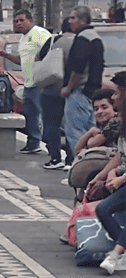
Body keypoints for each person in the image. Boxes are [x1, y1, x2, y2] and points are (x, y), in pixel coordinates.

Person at [84, 72, 126, 275]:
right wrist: (103, 176)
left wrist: (120, 179)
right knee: (103, 209)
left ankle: (117, 254)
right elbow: (121, 155)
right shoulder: (121, 121)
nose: (114, 97)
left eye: (117, 93)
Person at [0, 9, 51, 153]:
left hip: (41, 81)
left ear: (31, 21)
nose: (18, 23)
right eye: (16, 21)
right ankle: (33, 143)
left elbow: (53, 50)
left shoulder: (39, 33)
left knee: (41, 114)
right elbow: (21, 61)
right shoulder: (23, 39)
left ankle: (43, 144)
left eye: (22, 20)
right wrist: (6, 55)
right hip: (28, 82)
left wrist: (41, 60)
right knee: (31, 114)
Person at [61, 5, 105, 158]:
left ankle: (78, 165)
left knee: (75, 133)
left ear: (83, 20)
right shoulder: (95, 37)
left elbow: (78, 67)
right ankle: (91, 165)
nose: (70, 21)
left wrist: (68, 87)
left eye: (74, 18)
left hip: (79, 91)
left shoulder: (83, 38)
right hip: (92, 92)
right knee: (90, 132)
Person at [37, 17, 75, 170]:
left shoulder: (53, 41)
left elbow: (38, 58)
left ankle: (55, 158)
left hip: (51, 89)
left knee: (51, 125)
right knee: (72, 125)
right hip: (73, 91)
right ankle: (71, 159)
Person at [75, 88, 120, 152]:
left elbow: (92, 144)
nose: (99, 111)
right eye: (96, 109)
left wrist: (91, 135)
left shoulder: (117, 122)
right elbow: (77, 150)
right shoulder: (101, 126)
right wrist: (90, 133)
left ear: (115, 108)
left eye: (104, 107)